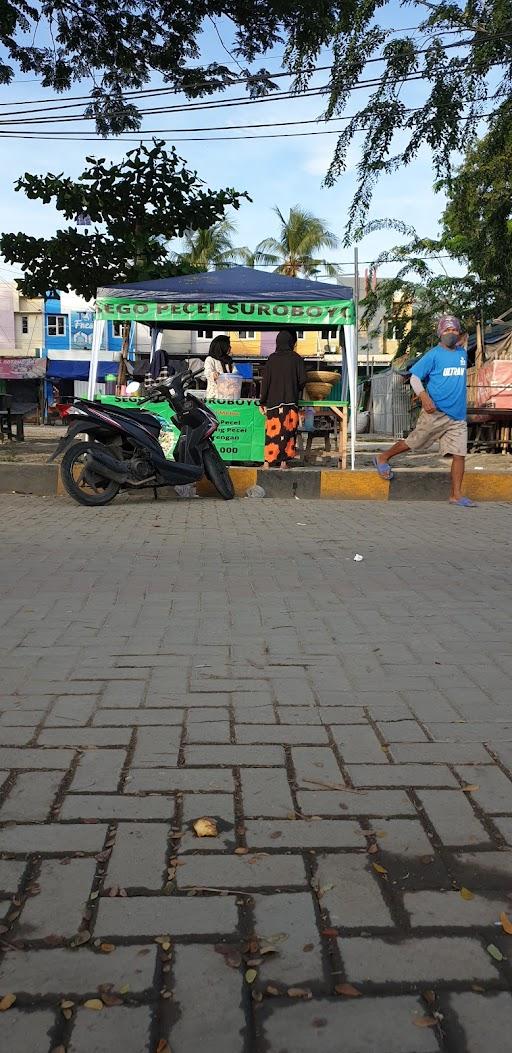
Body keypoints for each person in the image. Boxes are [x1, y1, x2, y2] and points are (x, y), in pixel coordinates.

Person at [374, 314, 476, 506]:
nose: (451, 333)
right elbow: (414, 377)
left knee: (460, 453)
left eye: (454, 330)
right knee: (414, 442)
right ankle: (383, 457)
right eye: (447, 330)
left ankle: (456, 494)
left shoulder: (462, 354)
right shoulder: (433, 355)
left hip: (458, 416)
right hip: (435, 412)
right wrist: (424, 396)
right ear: (440, 333)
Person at [260, 328, 307, 469]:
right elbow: (303, 380)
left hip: (273, 403)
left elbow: (265, 381)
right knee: (287, 433)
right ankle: (283, 463)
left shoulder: (272, 358)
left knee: (272, 433)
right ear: (291, 342)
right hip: (290, 402)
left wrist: (262, 401)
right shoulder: (296, 358)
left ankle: (267, 462)